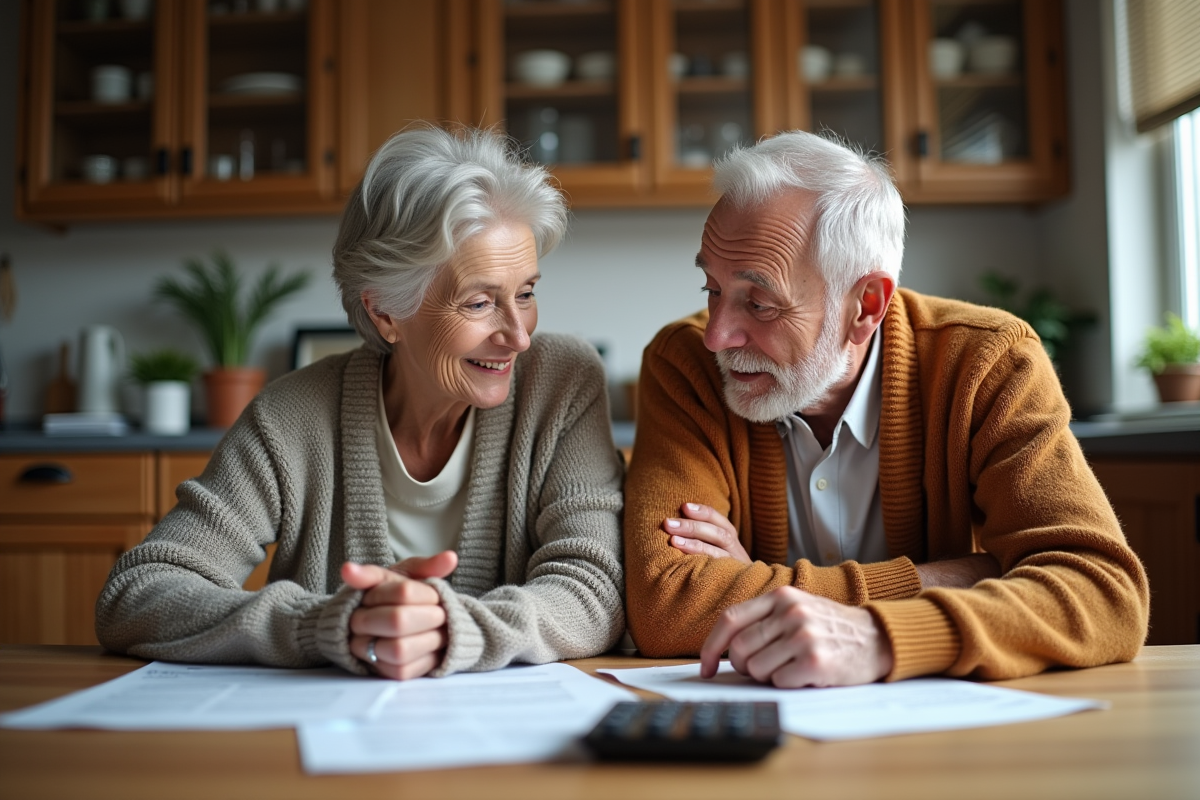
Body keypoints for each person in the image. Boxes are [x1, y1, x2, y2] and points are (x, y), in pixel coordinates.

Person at [623, 130, 1148, 688]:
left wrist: (877, 636)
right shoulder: (685, 365)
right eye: (711, 289)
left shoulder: (989, 363)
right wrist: (952, 578)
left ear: (865, 306)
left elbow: (1104, 593)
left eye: (759, 303)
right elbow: (667, 607)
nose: (718, 336)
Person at [96, 127, 626, 680]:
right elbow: (137, 594)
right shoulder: (291, 418)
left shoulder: (562, 384)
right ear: (385, 313)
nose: (518, 336)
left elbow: (595, 590)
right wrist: (329, 624)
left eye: (526, 293)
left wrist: (450, 629)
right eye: (478, 303)